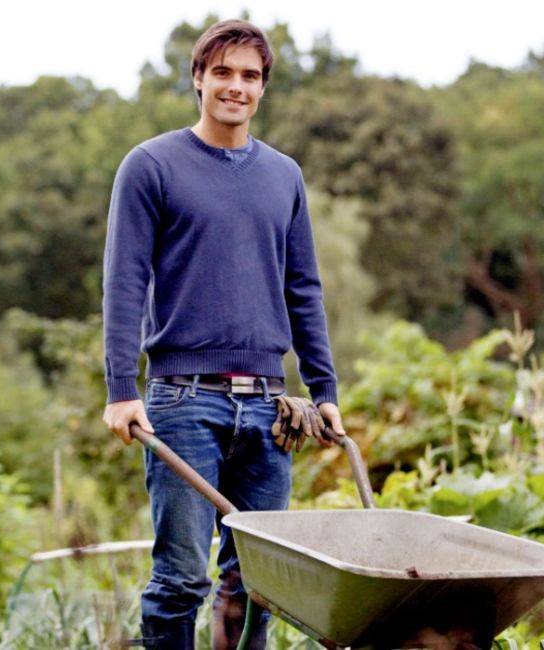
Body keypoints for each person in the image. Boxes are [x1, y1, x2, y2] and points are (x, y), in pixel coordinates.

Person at [102, 19, 344, 650]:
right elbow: (124, 281)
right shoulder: (151, 166)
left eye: (250, 76)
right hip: (183, 402)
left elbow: (303, 288)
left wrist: (323, 389)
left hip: (270, 408)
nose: (236, 87)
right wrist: (120, 388)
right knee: (182, 580)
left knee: (260, 582)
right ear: (198, 80)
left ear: (263, 88)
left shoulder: (283, 175)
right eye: (224, 73)